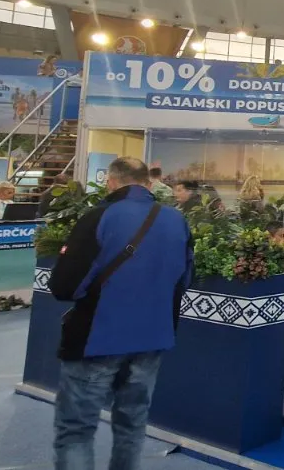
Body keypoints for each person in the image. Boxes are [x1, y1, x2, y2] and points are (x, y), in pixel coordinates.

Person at [48, 157, 191, 470]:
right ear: (148, 183)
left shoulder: (98, 217)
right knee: (132, 425)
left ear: (111, 182)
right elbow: (183, 280)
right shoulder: (176, 220)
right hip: (152, 339)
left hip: (98, 338)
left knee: (76, 430)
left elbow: (65, 286)